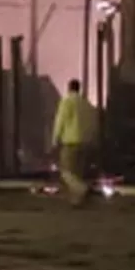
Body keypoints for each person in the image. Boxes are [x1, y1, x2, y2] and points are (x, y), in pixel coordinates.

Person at [51, 79, 98, 207]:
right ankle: (77, 201)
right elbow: (93, 122)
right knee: (78, 172)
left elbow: (60, 120)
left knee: (66, 171)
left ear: (69, 88)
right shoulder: (86, 103)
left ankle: (82, 189)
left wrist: (55, 139)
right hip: (86, 142)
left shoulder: (67, 101)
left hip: (71, 141)